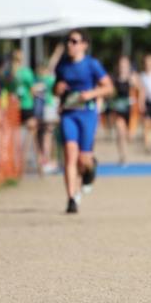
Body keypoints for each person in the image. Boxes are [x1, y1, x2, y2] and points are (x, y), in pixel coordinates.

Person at [53, 29, 114, 214]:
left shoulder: (92, 64)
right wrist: (58, 88)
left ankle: (90, 168)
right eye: (68, 41)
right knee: (70, 155)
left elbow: (109, 88)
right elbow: (55, 91)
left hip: (87, 114)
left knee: (83, 158)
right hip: (68, 114)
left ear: (84, 45)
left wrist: (91, 94)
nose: (69, 44)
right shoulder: (62, 65)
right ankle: (71, 198)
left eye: (74, 41)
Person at [8, 49, 39, 169]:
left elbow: (9, 89)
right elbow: (32, 89)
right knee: (32, 134)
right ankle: (27, 162)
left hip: (14, 106)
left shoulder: (10, 73)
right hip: (27, 106)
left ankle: (16, 161)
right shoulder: (26, 72)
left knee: (16, 135)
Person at [107, 56, 138, 166]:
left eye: (125, 65)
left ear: (128, 66)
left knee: (129, 136)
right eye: (120, 65)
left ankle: (126, 149)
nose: (122, 68)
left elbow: (141, 90)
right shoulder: (114, 78)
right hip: (118, 108)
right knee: (121, 132)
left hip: (131, 110)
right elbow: (109, 92)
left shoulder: (133, 78)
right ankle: (123, 156)